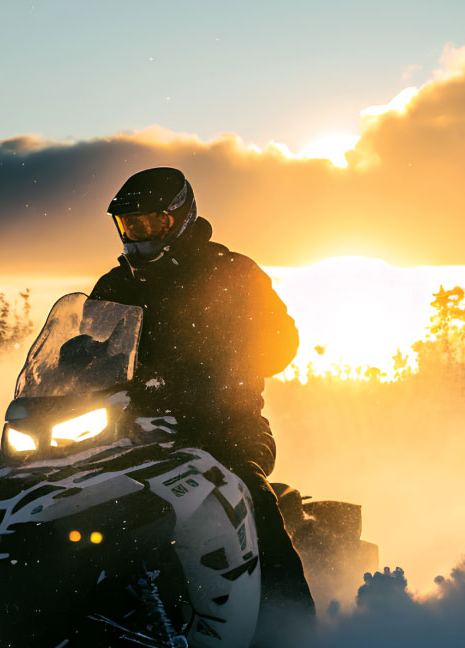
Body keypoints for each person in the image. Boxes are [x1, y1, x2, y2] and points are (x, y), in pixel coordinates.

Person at [92, 166, 316, 624]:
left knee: (245, 491)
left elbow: (280, 344)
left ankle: (291, 628)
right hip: (128, 427)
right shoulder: (115, 287)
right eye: (130, 224)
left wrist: (226, 360)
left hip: (223, 422)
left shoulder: (230, 272)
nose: (139, 233)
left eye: (151, 222)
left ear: (180, 217)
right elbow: (86, 351)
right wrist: (76, 359)